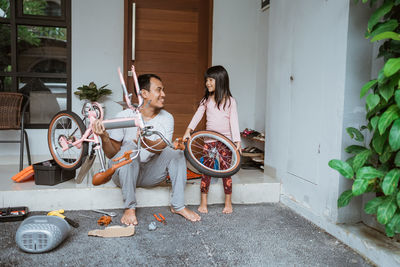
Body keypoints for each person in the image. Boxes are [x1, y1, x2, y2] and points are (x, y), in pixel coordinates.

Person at [93, 73, 201, 225]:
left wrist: (144, 141)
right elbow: (112, 153)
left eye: (163, 90)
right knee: (130, 146)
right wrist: (104, 137)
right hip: (124, 173)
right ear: (144, 93)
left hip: (149, 173)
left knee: (176, 152)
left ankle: (178, 205)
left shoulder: (167, 118)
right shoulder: (124, 116)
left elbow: (161, 148)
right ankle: (129, 207)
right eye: (159, 90)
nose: (163, 94)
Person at [182, 65, 241, 214]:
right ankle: (203, 202)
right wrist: (188, 131)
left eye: (210, 80)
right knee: (206, 171)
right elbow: (197, 116)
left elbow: (234, 121)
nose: (207, 83)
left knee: (226, 172)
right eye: (206, 80)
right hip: (209, 141)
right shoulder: (206, 100)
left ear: (220, 80)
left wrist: (237, 141)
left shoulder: (230, 101)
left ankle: (228, 202)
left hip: (226, 142)